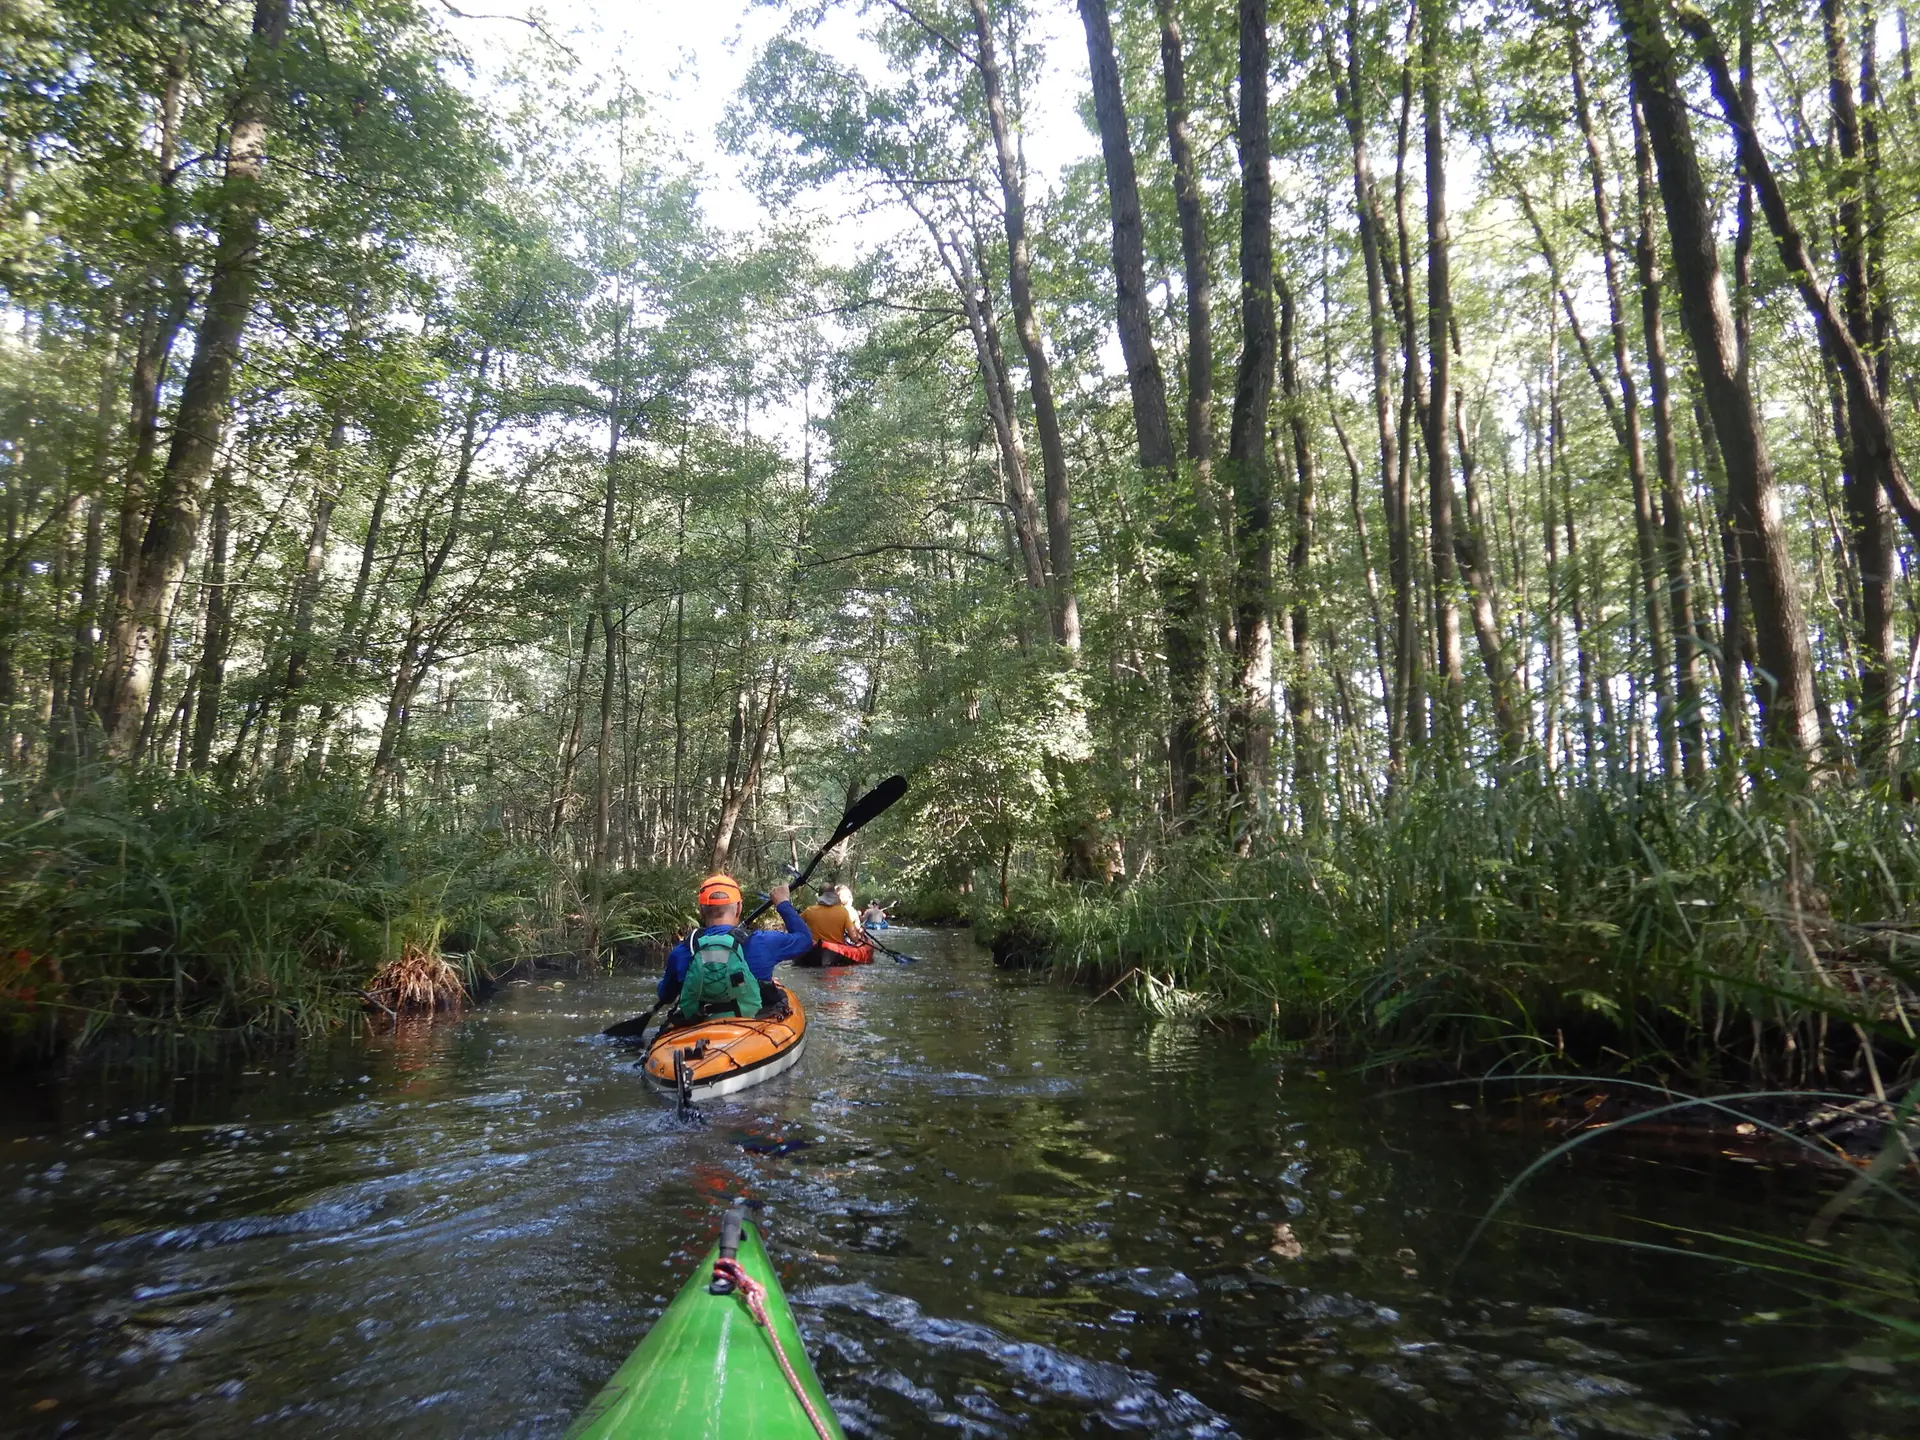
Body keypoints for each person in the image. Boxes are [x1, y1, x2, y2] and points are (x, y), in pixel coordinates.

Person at [657, 873, 815, 1023]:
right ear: (739, 907)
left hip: (695, 1031)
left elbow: (665, 996)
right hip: (751, 1028)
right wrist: (783, 904)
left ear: (701, 910)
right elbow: (806, 940)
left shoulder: (681, 952)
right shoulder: (763, 942)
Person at [799, 884, 864, 946]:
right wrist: (858, 940)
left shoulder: (809, 910)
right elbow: (853, 936)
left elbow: (794, 925)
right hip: (836, 952)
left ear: (819, 896)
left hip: (814, 949)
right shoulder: (843, 911)